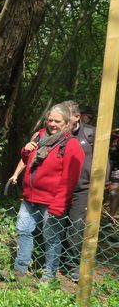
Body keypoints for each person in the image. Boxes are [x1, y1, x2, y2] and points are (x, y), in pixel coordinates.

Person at [11, 103, 84, 282]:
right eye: (50, 120)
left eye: (57, 121)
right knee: (23, 230)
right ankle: (20, 270)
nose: (52, 124)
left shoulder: (71, 145)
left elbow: (69, 179)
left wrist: (59, 205)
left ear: (67, 123)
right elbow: (31, 162)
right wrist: (25, 151)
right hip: (30, 197)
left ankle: (48, 276)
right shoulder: (40, 136)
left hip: (51, 201)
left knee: (51, 238)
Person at [60, 101, 96, 281]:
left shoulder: (90, 133)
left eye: (66, 115)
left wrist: (99, 185)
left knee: (75, 226)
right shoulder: (57, 133)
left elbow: (103, 160)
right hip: (59, 187)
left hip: (82, 189)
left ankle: (74, 264)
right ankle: (54, 260)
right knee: (56, 224)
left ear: (76, 117)